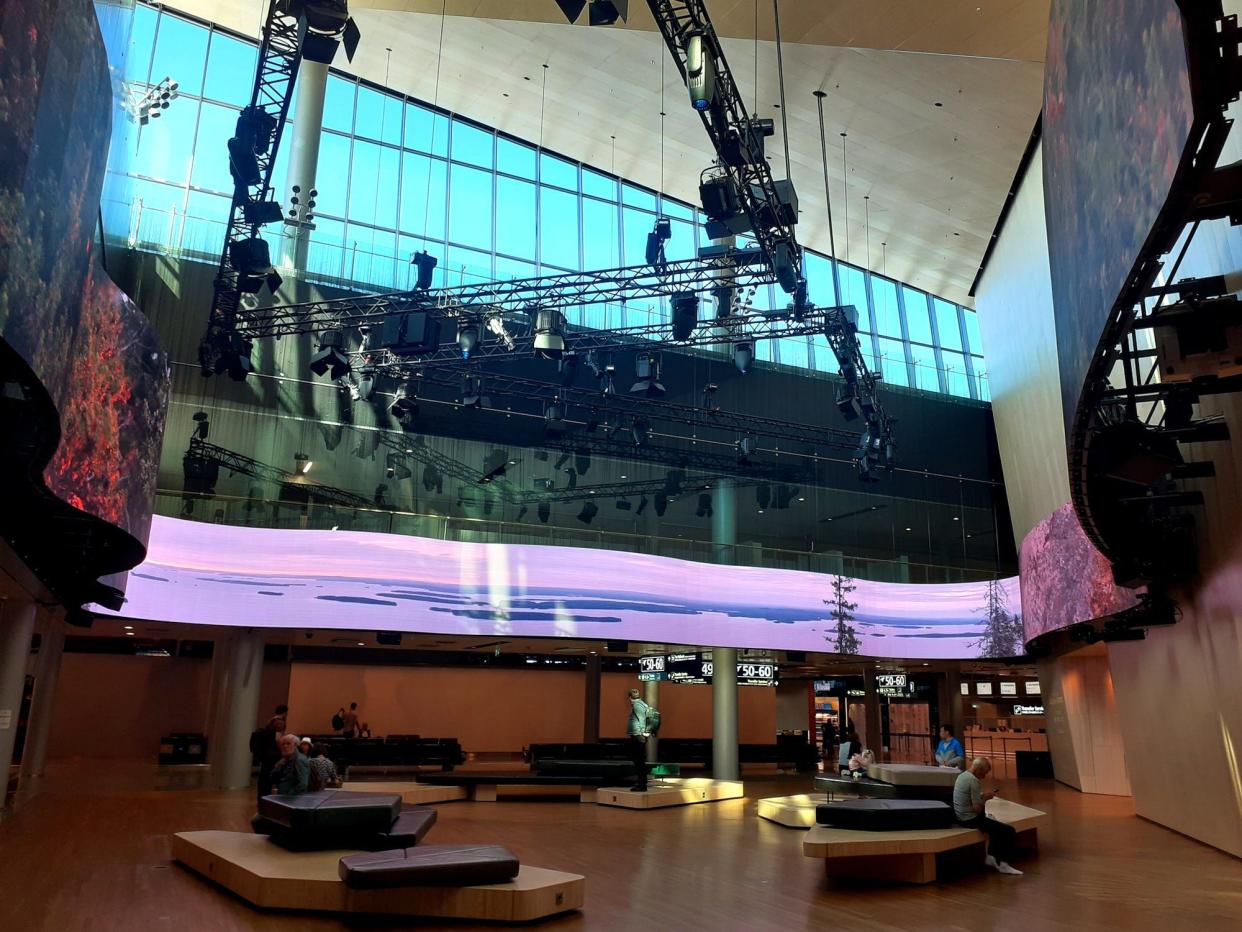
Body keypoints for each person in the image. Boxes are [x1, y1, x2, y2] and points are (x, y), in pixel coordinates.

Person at [953, 757, 1022, 875]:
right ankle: (1004, 864)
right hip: (970, 819)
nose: (984, 777)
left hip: (961, 816)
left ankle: (991, 857)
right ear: (978, 769)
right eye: (984, 773)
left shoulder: (962, 776)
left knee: (994, 827)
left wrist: (982, 796)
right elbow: (977, 808)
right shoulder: (973, 781)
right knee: (1009, 830)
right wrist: (986, 798)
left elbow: (969, 798)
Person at [254, 704, 288, 800]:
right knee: (271, 776)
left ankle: (262, 797)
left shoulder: (270, 721)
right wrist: (283, 750)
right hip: (274, 755)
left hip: (266, 753)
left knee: (264, 776)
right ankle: (269, 798)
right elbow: (278, 738)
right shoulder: (279, 722)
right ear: (285, 713)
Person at [626, 688, 651, 792]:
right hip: (639, 735)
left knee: (639, 760)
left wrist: (643, 732)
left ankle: (642, 785)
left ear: (629, 697)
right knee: (639, 760)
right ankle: (641, 783)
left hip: (638, 735)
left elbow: (641, 719)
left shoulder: (637, 705)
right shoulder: (642, 704)